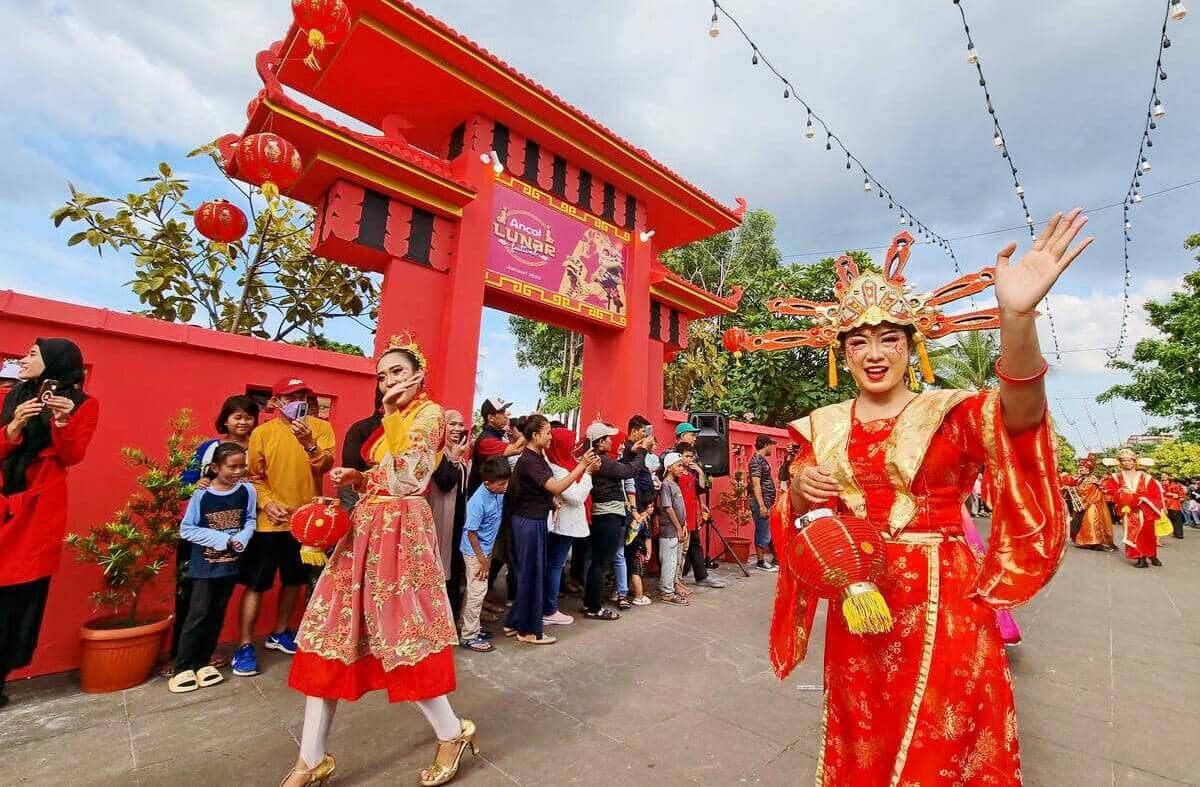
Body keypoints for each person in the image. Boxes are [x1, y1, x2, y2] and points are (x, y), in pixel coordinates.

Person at [766, 212, 1089, 783]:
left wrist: (1018, 320)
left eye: (889, 338)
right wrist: (796, 494)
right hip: (859, 606)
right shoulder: (821, 427)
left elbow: (1022, 416)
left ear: (912, 347)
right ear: (841, 351)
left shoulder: (950, 412)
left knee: (943, 743)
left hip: (945, 603)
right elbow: (803, 520)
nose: (874, 353)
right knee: (863, 737)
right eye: (859, 340)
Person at [283, 335, 474, 787]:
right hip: (364, 529)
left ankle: (450, 734)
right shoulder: (381, 423)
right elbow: (381, 475)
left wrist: (389, 417)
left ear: (418, 375)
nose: (388, 381)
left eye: (397, 372)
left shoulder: (430, 417)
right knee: (329, 630)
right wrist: (358, 475)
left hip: (402, 533)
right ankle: (310, 760)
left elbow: (411, 477)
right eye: (382, 375)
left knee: (402, 632)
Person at [0, 338, 98, 709]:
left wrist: (61, 421)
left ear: (55, 363)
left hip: (38, 507)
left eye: (32, 355)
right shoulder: (8, 397)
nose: (23, 359)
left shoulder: (83, 405)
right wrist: (12, 430)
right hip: (4, 493)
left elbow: (72, 455)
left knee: (21, 595)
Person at [235, 376, 336, 678]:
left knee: (295, 580)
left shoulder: (322, 429)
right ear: (276, 402)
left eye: (304, 395)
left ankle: (280, 631)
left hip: (306, 521)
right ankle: (243, 645)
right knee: (257, 584)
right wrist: (266, 503)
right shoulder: (262, 433)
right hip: (270, 521)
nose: (299, 401)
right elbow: (253, 476)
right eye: (291, 396)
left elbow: (325, 466)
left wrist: (310, 443)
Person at [168, 394, 260, 675]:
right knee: (194, 602)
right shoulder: (210, 449)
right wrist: (201, 483)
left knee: (219, 601)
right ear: (226, 419)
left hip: (235, 540)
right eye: (237, 416)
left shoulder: (258, 447)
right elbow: (187, 481)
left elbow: (253, 508)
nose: (243, 421)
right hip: (204, 539)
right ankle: (181, 660)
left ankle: (204, 657)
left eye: (248, 416)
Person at [505, 415, 593, 643]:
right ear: (535, 436)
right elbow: (555, 485)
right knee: (532, 575)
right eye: (547, 432)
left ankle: (515, 622)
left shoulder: (535, 457)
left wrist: (551, 501)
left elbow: (539, 490)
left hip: (531, 519)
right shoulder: (531, 460)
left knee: (530, 573)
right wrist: (583, 467)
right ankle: (528, 631)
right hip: (528, 522)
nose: (550, 436)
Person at [583, 421, 651, 620]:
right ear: (600, 442)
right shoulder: (601, 461)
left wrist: (634, 452)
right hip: (608, 514)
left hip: (606, 514)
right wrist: (643, 452)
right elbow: (627, 471)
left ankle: (590, 603)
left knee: (599, 562)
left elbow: (623, 466)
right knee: (601, 563)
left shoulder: (600, 459)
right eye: (608, 438)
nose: (612, 441)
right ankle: (594, 607)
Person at [544, 426, 597, 626]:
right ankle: (549, 609)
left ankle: (549, 607)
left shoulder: (562, 463)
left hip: (565, 523)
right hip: (562, 524)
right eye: (570, 443)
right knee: (555, 565)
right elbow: (577, 497)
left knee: (555, 565)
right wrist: (588, 473)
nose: (574, 446)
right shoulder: (558, 468)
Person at [458, 457, 511, 653]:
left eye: (506, 482)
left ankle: (467, 626)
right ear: (487, 483)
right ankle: (469, 636)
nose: (505, 487)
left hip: (484, 551)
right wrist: (483, 561)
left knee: (475, 591)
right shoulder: (478, 502)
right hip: (475, 553)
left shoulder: (496, 492)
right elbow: (471, 533)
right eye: (501, 484)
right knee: (477, 593)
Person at [431, 410, 470, 626]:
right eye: (451, 424)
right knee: (441, 567)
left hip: (457, 519)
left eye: (460, 424)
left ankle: (451, 619)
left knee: (454, 567)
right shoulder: (436, 453)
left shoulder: (456, 451)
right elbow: (445, 482)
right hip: (440, 518)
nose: (457, 428)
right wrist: (454, 457)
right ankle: (440, 620)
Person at [1102, 448, 1166, 568]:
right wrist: (1121, 493)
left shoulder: (1145, 477)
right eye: (1124, 460)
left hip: (1145, 509)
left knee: (1149, 534)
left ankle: (1152, 554)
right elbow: (1109, 490)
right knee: (1134, 534)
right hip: (1129, 510)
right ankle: (1141, 557)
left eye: (1129, 460)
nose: (1127, 463)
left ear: (1134, 461)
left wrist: (1142, 498)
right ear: (1121, 462)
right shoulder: (1116, 477)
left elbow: (1155, 492)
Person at [676, 445, 725, 589]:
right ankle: (678, 580)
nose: (689, 459)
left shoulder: (691, 473)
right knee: (681, 551)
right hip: (681, 516)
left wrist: (700, 471)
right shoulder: (676, 473)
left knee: (693, 546)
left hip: (692, 515)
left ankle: (700, 576)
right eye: (686, 456)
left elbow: (700, 489)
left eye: (691, 457)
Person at [657, 452, 689, 606]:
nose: (682, 468)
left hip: (677, 530)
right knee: (669, 561)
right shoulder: (666, 485)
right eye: (679, 465)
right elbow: (668, 508)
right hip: (670, 530)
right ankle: (667, 592)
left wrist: (683, 526)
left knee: (675, 561)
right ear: (669, 467)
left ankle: (671, 588)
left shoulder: (675, 484)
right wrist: (678, 527)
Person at [1065, 455, 1116, 551]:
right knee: (1085, 523)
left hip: (1092, 504)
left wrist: (1069, 489)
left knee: (1092, 523)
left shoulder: (1091, 480)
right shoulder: (1082, 479)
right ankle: (1087, 541)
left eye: (1084, 468)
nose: (1081, 470)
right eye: (1080, 468)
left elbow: (1083, 491)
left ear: (1089, 470)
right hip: (1088, 503)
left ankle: (1095, 541)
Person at [748, 435, 779, 572]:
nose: (771, 447)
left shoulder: (762, 460)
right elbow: (756, 483)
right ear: (766, 445)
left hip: (767, 501)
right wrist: (761, 505)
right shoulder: (756, 461)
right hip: (761, 502)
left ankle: (773, 558)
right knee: (762, 529)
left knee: (766, 529)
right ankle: (761, 561)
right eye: (770, 445)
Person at [1161, 472, 1187, 540]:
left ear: (1168, 477)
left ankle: (1179, 534)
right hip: (1166, 506)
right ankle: (1173, 532)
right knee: (1170, 519)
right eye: (1162, 476)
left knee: (1177, 520)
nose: (1163, 477)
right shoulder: (1161, 485)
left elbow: (1182, 496)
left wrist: (1173, 495)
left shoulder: (1175, 485)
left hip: (1174, 505)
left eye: (1164, 476)